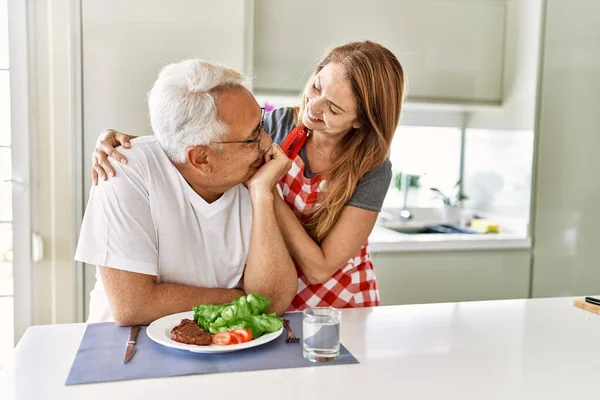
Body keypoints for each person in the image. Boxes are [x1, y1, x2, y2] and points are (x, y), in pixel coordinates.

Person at [91, 41, 405, 311]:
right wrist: (123, 145)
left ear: (360, 122)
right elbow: (198, 142)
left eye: (334, 109)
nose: (314, 108)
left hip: (341, 301)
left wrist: (263, 190)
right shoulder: (275, 126)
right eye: (317, 87)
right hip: (273, 289)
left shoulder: (373, 167)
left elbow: (319, 268)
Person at [75, 59, 297, 325]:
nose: (268, 143)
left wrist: (263, 194)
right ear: (201, 158)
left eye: (262, 125)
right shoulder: (122, 171)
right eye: (252, 137)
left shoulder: (256, 172)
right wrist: (244, 298)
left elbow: (273, 301)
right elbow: (133, 307)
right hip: (128, 350)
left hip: (223, 347)